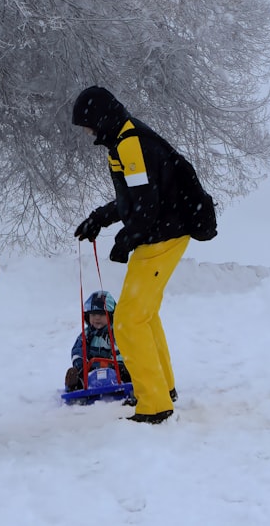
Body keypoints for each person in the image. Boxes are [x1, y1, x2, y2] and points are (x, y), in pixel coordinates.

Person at [71, 86, 214, 423]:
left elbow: (147, 204)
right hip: (165, 234)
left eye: (88, 124)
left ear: (101, 119)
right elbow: (135, 197)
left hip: (163, 237)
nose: (88, 132)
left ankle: (154, 404)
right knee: (144, 315)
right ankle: (163, 388)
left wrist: (125, 239)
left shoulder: (130, 143)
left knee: (128, 321)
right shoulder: (124, 138)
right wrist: (101, 217)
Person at [64, 290, 131, 392]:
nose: (97, 318)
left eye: (101, 314)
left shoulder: (116, 333)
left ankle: (129, 382)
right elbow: (78, 349)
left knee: (128, 371)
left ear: (111, 315)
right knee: (78, 374)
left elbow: (121, 349)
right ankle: (75, 384)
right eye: (93, 314)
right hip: (90, 371)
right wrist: (81, 364)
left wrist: (119, 364)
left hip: (115, 370)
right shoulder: (87, 334)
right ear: (87, 316)